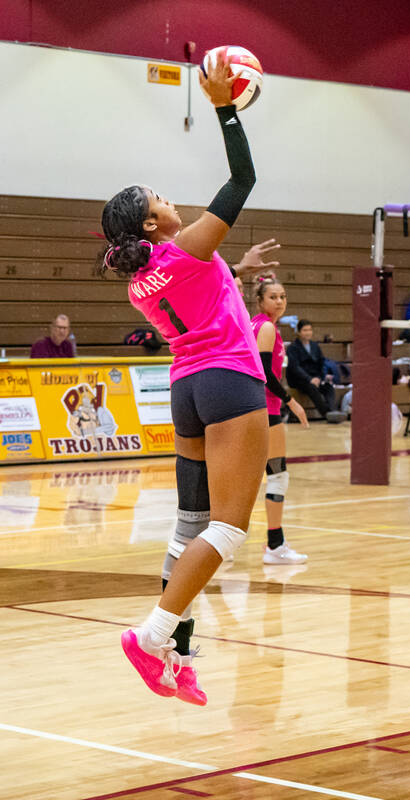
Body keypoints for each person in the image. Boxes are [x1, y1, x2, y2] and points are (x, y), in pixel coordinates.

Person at [100, 53, 279, 704]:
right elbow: (244, 177)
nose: (173, 202)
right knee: (228, 531)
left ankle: (174, 657)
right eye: (163, 200)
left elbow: (206, 286)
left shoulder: (143, 283)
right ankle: (150, 637)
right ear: (152, 225)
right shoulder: (190, 249)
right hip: (229, 383)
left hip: (186, 392)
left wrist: (240, 264)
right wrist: (224, 106)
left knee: (188, 527)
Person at [251, 278, 310, 565]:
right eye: (273, 296)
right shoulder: (265, 328)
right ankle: (275, 545)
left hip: (255, 408)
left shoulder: (256, 324)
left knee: (251, 477)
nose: (279, 301)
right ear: (260, 300)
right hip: (266, 409)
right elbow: (264, 371)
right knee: (277, 475)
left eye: (283, 296)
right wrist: (291, 401)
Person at [285, 320, 347, 423]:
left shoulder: (315, 346)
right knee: (312, 388)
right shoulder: (292, 348)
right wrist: (309, 379)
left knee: (328, 387)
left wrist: (319, 378)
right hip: (299, 380)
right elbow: (294, 367)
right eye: (305, 330)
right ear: (299, 332)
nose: (308, 332)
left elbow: (321, 364)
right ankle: (327, 414)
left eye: (309, 330)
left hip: (314, 378)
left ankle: (332, 411)